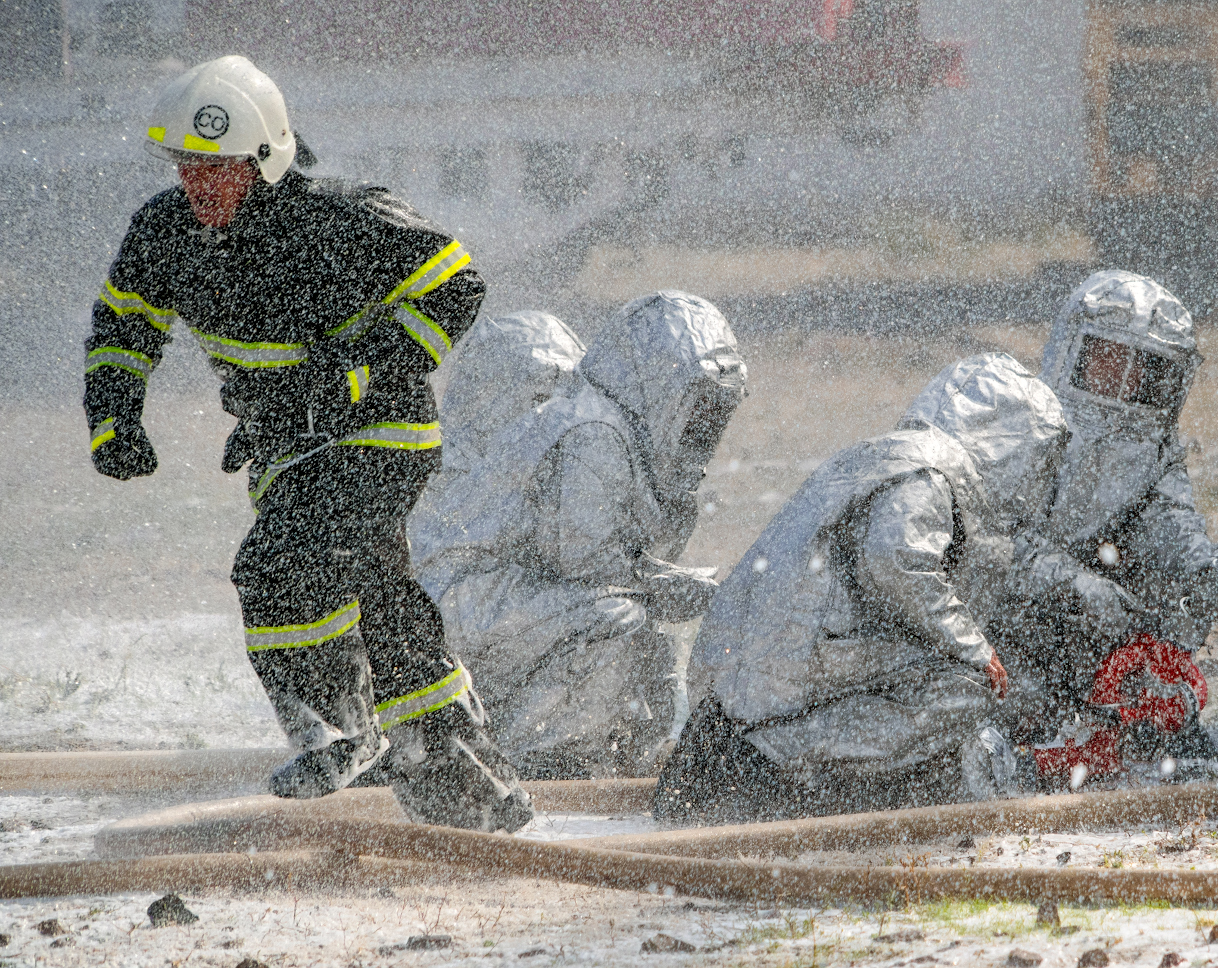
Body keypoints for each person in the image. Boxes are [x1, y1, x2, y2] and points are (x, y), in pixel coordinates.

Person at [83, 55, 532, 832]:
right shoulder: (164, 233)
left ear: (263, 159)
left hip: (381, 435)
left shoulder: (340, 220)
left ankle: (343, 731)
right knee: (380, 598)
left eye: (214, 168)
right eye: (185, 166)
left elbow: (457, 282)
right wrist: (115, 419)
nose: (196, 186)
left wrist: (359, 376)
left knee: (279, 565)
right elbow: (123, 327)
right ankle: (467, 788)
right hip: (289, 450)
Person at [654, 354, 1069, 823]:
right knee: (967, 687)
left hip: (739, 672)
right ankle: (784, 774)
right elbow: (896, 558)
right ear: (1010, 443)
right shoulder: (931, 469)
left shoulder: (884, 453)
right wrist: (976, 649)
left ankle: (736, 755)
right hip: (791, 677)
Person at [408, 291, 747, 779]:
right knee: (616, 618)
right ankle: (521, 755)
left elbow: (593, 561)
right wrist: (670, 588)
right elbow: (586, 567)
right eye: (700, 410)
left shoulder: (602, 425)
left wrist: (662, 582)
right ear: (663, 383)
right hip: (458, 598)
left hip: (464, 597)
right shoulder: (595, 432)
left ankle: (615, 743)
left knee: (633, 629)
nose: (704, 428)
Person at [995, 270, 1218, 780]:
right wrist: (1077, 585)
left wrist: (1203, 568)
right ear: (1072, 350)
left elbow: (1169, 516)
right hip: (1008, 617)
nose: (1126, 381)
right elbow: (995, 541)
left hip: (1096, 618)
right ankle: (1030, 738)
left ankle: (1130, 718)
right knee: (1011, 711)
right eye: (1110, 359)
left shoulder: (1154, 445)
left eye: (1146, 368)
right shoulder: (1025, 424)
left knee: (1158, 601)